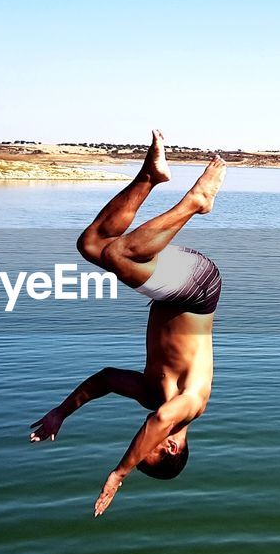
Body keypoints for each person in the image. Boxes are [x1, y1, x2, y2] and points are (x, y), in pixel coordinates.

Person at [29, 131, 226, 516]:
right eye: (147, 451)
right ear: (171, 445)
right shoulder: (191, 404)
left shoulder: (151, 394)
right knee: (121, 253)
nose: (142, 440)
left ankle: (150, 177)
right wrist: (120, 473)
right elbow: (161, 420)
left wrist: (61, 412)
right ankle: (197, 202)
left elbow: (103, 380)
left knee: (92, 244)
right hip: (198, 290)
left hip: (173, 291)